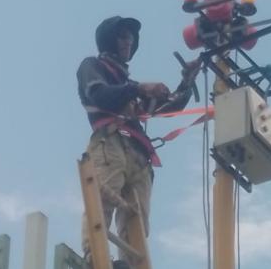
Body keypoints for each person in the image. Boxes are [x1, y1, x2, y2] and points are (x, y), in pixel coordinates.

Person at [77, 16, 200, 267]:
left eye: (131, 39)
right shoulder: (93, 66)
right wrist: (139, 89)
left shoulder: (128, 85)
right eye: (123, 36)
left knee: (137, 220)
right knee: (104, 200)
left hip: (138, 154)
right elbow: (100, 95)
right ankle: (94, 258)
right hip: (111, 143)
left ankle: (131, 265)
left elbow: (168, 106)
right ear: (109, 39)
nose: (128, 42)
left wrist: (186, 81)